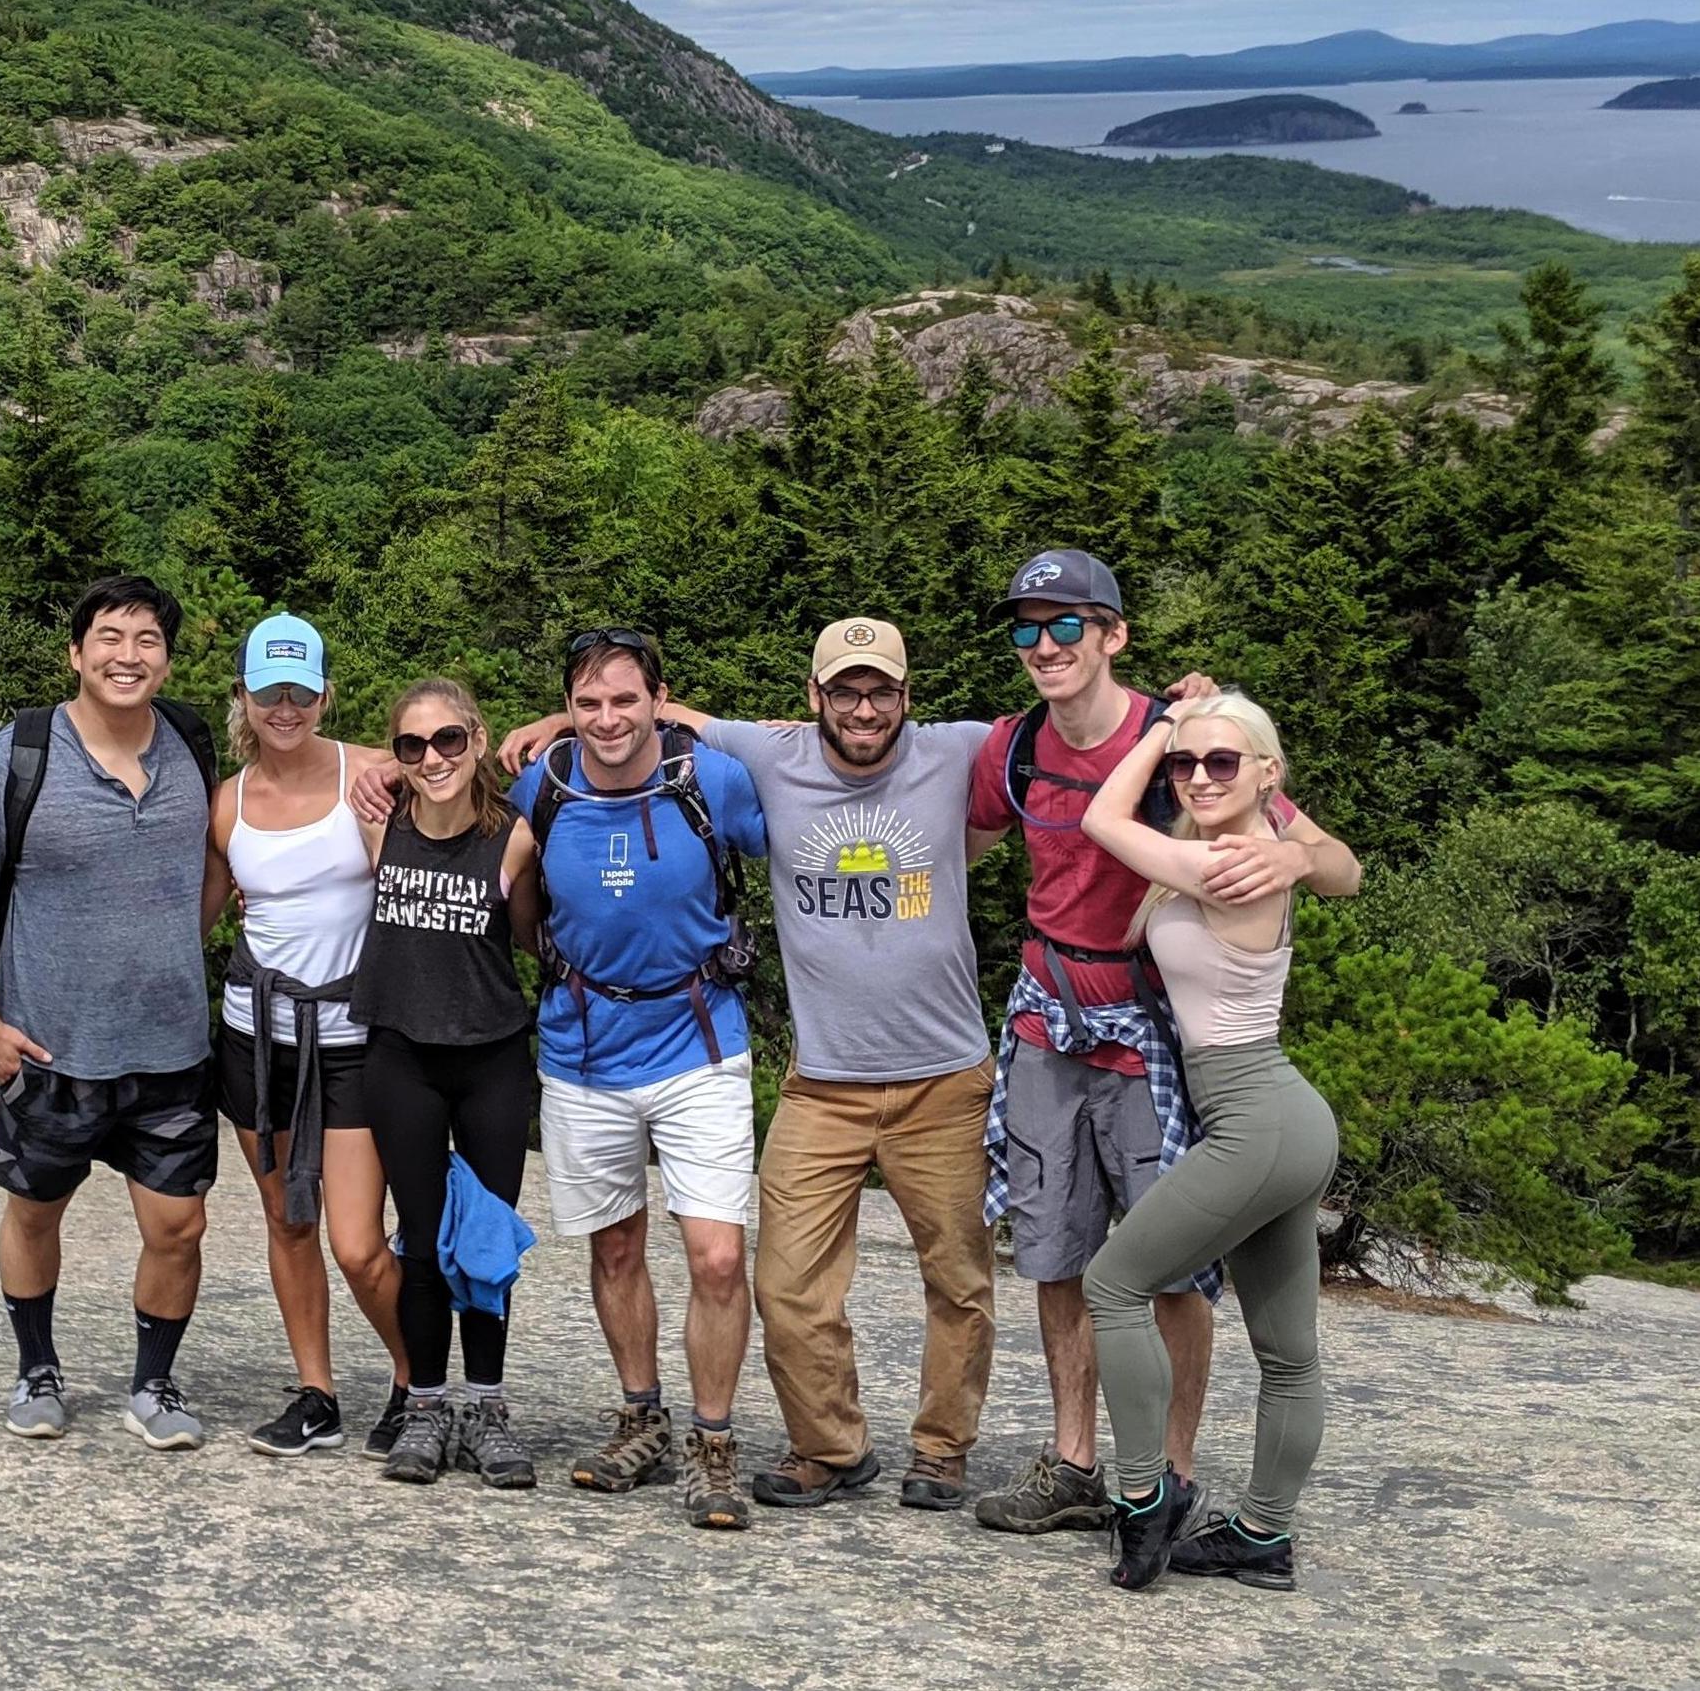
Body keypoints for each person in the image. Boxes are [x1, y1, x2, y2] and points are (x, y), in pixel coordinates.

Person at [506, 615, 997, 1516]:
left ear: (905, 695)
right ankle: (827, 1446)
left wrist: (1176, 715)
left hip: (942, 1072)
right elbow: (652, 717)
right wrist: (546, 727)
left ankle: (940, 1447)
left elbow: (1064, 744)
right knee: (784, 1279)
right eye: (842, 689)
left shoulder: (955, 750)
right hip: (821, 1075)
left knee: (955, 1276)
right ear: (811, 698)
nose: (861, 705)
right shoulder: (763, 756)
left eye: (878, 688)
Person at [964, 549, 1358, 1537]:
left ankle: (1168, 1474)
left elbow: (1340, 863)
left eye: (1067, 625)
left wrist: (1294, 852)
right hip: (1048, 1014)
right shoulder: (1010, 749)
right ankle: (1074, 1461)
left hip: (1151, 1035)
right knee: (1055, 1249)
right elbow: (922, 802)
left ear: (1113, 635)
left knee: (1166, 1266)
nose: (1045, 645)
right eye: (1027, 628)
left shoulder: (1191, 747)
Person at [0, 574, 220, 1450]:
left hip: (170, 1047)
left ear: (167, 660)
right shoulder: (18, 756)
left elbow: (221, 858)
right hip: (49, 1047)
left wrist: (175, 939)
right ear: (76, 652)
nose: (126, 655)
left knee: (179, 1224)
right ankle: (36, 1367)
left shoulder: (193, 746)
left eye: (145, 640)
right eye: (108, 636)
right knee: (33, 1210)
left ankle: (153, 1381)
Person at [1077, 691, 1344, 1591]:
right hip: (1279, 1116)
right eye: (1185, 763)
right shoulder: (1260, 837)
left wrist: (1155, 728)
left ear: (1267, 773)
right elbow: (1341, 864)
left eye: (1218, 761)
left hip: (1255, 1116)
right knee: (1285, 1348)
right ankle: (1263, 1536)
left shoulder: (1226, 858)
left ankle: (1144, 1497)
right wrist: (1301, 849)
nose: (1194, 776)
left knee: (1113, 1282)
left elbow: (1099, 816)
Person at [509, 629, 768, 1531]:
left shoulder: (712, 781)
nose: (608, 719)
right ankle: (640, 1414)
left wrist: (704, 721)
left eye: (627, 699)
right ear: (568, 710)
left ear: (661, 698)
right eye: (587, 703)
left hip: (699, 1038)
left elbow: (817, 770)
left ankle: (714, 1438)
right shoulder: (541, 785)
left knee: (719, 1253)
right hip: (582, 1045)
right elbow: (490, 871)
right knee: (614, 1247)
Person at [201, 612, 412, 1463]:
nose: (283, 707)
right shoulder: (229, 801)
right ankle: (316, 1390)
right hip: (258, 1036)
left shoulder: (374, 771)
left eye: (299, 690)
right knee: (289, 1222)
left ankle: (414, 1381)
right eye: (267, 691)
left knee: (358, 1242)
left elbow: (463, 784)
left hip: (355, 1035)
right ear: (243, 698)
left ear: (325, 693)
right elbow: (197, 915)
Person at [350, 678, 543, 1491]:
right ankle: (426, 1404)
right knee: (422, 1239)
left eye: (448, 741)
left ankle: (488, 1409)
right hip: (401, 1057)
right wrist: (378, 770)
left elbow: (532, 936)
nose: (431, 758)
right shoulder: (375, 823)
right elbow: (309, 750)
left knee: (486, 1245)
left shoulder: (515, 837)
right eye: (410, 746)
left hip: (492, 1056)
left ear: (475, 737)